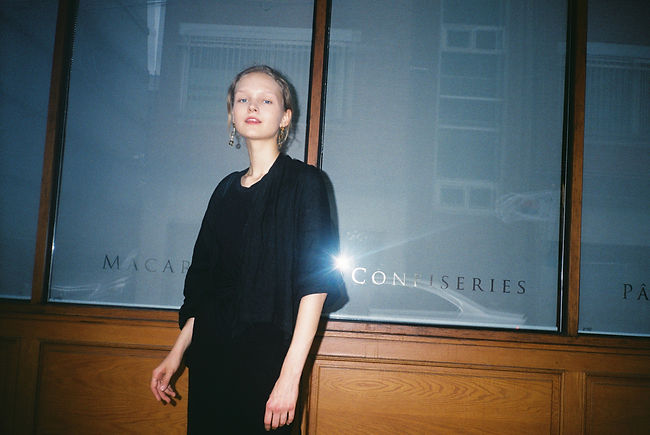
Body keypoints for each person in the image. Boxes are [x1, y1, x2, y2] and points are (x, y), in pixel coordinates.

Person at [150, 65, 346, 434]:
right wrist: (176, 355)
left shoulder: (306, 183)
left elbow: (315, 284)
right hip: (212, 357)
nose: (252, 106)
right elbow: (205, 288)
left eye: (265, 100)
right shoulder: (224, 190)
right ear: (232, 114)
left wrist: (290, 377)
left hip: (269, 362)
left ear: (285, 117)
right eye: (243, 99)